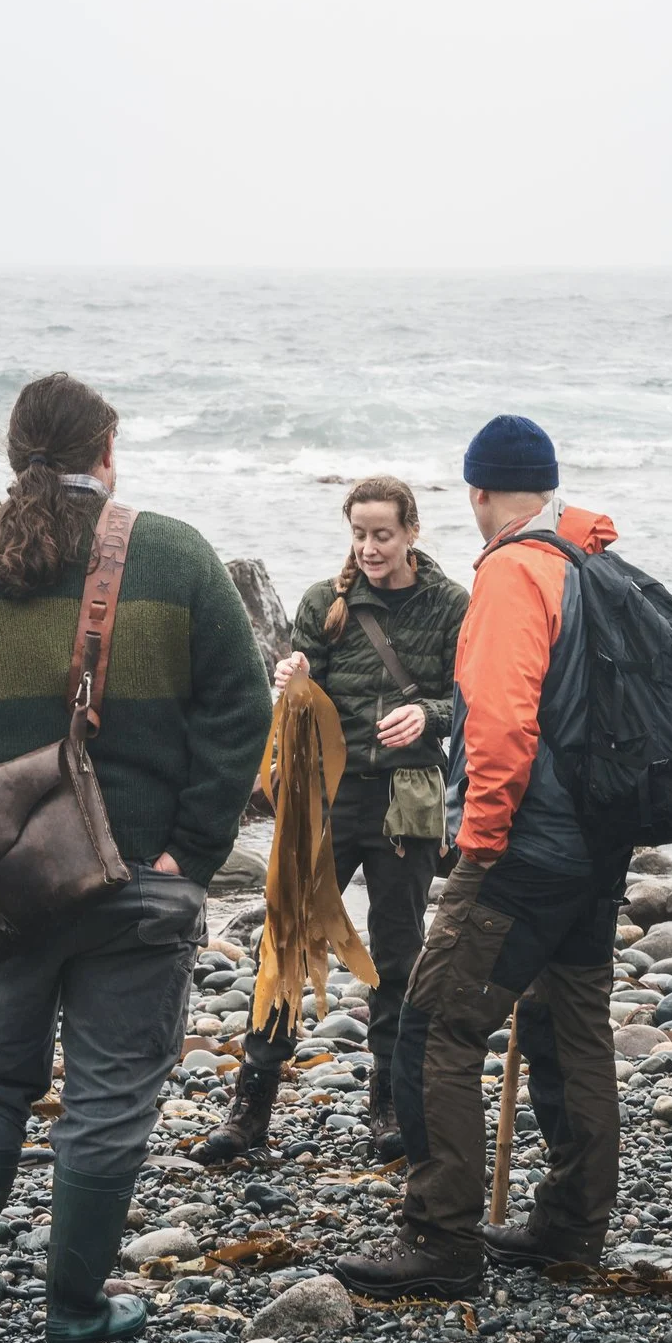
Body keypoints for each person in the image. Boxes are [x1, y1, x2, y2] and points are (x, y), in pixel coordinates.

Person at [0, 373, 269, 1343]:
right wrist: (192, 847)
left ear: (14, 454)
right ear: (106, 451)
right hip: (140, 880)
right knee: (107, 1099)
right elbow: (243, 708)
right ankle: (73, 1307)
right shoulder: (173, 555)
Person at [333, 414, 632, 1302]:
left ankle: (440, 1235)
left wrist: (481, 839)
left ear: (479, 493)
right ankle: (572, 1224)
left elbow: (499, 723)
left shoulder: (513, 571)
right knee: (571, 1019)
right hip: (595, 843)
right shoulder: (594, 560)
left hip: (526, 843)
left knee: (434, 1027)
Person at [196, 476, 468, 1166]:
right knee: (285, 941)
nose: (370, 547)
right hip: (326, 793)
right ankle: (251, 1107)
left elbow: (467, 700)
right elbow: (299, 697)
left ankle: (388, 1105)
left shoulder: (450, 605)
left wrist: (430, 716)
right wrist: (289, 680)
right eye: (359, 534)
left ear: (411, 531)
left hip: (408, 793)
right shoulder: (326, 601)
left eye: (383, 534)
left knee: (399, 949)